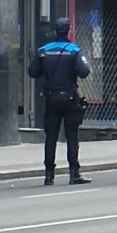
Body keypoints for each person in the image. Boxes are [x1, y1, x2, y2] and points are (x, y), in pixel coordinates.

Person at [28, 17, 92, 186]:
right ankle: (74, 173)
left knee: (51, 137)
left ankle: (49, 175)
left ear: (55, 32)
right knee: (72, 136)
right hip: (70, 98)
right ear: (69, 31)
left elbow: (32, 72)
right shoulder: (74, 50)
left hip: (51, 98)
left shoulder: (44, 51)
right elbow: (84, 72)